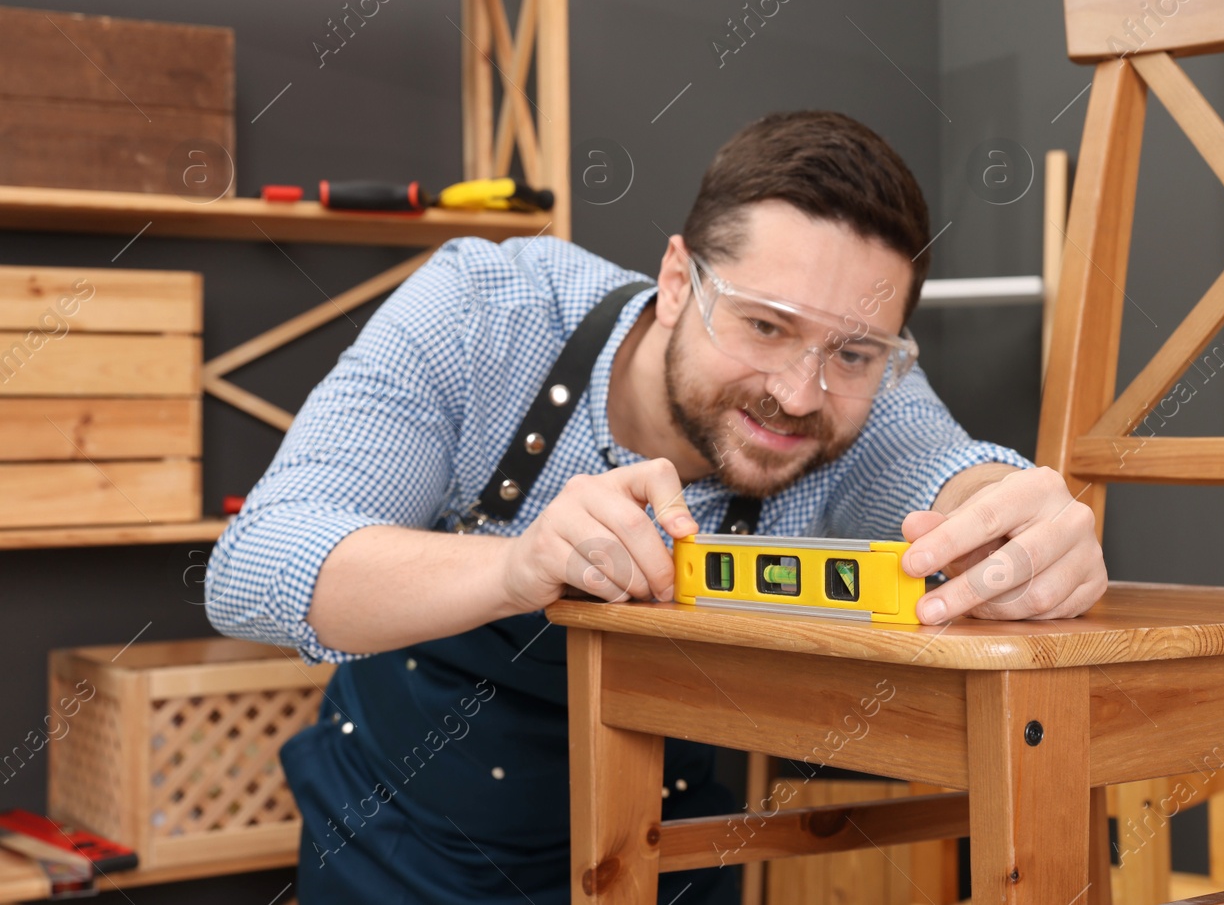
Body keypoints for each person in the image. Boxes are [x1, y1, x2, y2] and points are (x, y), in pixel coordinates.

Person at [204, 110, 1107, 904]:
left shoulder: (863, 394)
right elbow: (255, 564)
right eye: (766, 325)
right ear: (677, 280)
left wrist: (1021, 520)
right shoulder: (487, 308)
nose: (800, 393)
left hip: (665, 855)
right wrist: (518, 568)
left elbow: (950, 475)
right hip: (402, 850)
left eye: (855, 354)